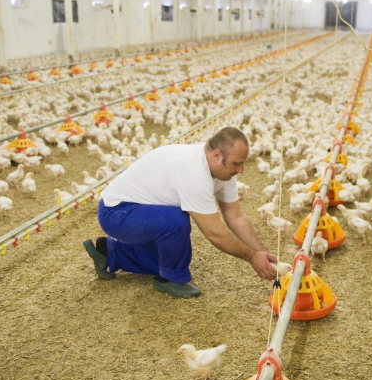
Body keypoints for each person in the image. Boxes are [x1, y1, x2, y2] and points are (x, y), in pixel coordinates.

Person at [83, 127, 278, 298]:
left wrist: (260, 251)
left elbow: (235, 216)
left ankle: (109, 252)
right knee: (176, 222)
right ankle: (169, 279)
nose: (241, 170)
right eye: (237, 163)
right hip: (116, 212)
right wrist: (252, 257)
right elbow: (214, 232)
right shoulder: (194, 172)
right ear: (217, 155)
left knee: (166, 255)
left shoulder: (223, 172)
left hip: (139, 210)